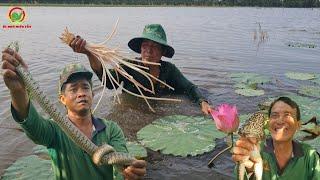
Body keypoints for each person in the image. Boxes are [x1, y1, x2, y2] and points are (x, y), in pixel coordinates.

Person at [1, 48, 146, 180]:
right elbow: (32, 124)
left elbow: (122, 167)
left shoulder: (111, 129)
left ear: (92, 93)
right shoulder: (54, 130)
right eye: (73, 89)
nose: (81, 93)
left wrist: (130, 173)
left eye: (85, 87)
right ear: (62, 99)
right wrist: (18, 91)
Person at [69, 24, 212, 115]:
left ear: (162, 52)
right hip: (131, 111)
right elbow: (108, 81)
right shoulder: (129, 66)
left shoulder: (169, 70)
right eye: (145, 45)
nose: (149, 50)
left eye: (155, 46)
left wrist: (203, 102)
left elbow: (190, 87)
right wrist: (89, 53)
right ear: (140, 48)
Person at [232, 96, 320, 179]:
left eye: (287, 115)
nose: (280, 121)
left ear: (298, 125)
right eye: (274, 115)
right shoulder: (254, 149)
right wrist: (249, 171)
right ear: (268, 123)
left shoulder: (310, 157)